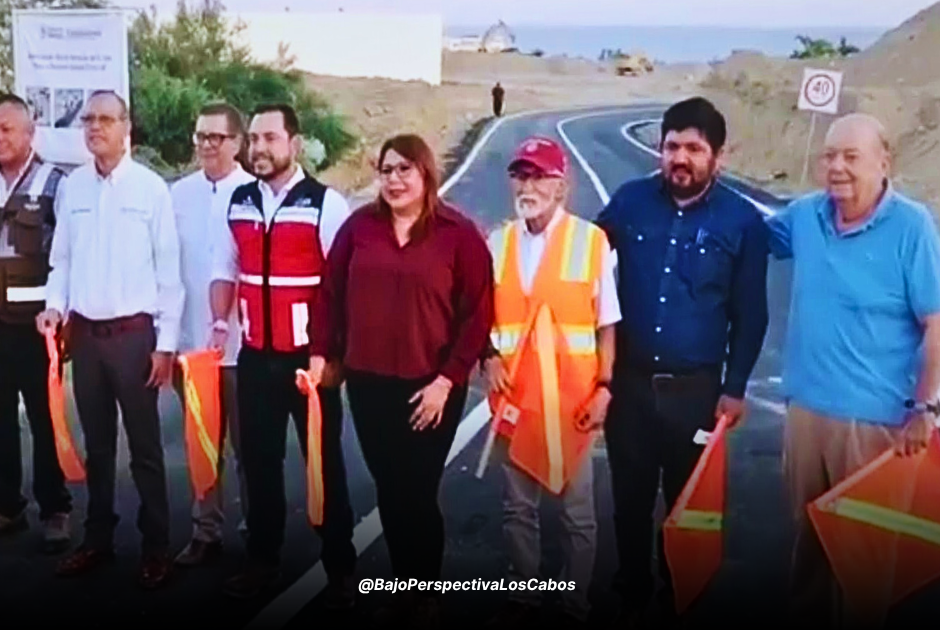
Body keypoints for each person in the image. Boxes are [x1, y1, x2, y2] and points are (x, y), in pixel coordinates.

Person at [594, 96, 770, 625]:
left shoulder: (743, 221)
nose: (681, 158)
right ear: (659, 148)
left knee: (685, 504)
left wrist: (734, 388)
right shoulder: (628, 203)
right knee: (628, 499)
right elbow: (582, 265)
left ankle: (678, 595)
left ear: (718, 154)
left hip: (696, 392)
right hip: (630, 385)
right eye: (672, 146)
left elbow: (752, 314)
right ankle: (631, 590)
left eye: (694, 148)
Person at [309, 133, 494, 627]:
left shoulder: (459, 234)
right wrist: (323, 353)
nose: (393, 179)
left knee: (417, 490)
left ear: (425, 173)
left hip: (430, 386)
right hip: (368, 383)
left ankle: (426, 590)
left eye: (404, 170)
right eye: (386, 170)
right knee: (389, 488)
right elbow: (329, 294)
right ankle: (403, 587)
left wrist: (446, 381)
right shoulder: (358, 229)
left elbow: (477, 315)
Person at [766, 113, 940, 628]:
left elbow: (936, 323)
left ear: (884, 163)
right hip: (805, 417)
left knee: (863, 570)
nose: (836, 167)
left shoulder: (912, 227)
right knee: (808, 555)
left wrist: (925, 406)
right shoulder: (805, 216)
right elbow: (744, 239)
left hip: (876, 425)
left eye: (851, 156)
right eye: (829, 156)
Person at [210, 103, 357, 603]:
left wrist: (331, 356)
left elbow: (341, 286)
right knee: (259, 462)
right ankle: (262, 560)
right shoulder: (240, 200)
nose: (260, 149)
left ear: (294, 143)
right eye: (253, 139)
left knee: (323, 462)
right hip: (254, 356)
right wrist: (217, 324)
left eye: (270, 138)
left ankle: (340, 562)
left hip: (308, 363)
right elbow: (225, 268)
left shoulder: (325, 203)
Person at [37, 90, 183, 588]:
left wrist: (166, 345)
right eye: (89, 119)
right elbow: (63, 261)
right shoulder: (72, 188)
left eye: (105, 119)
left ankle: (157, 545)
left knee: (144, 449)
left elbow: (170, 272)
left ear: (127, 129)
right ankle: (97, 539)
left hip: (135, 337)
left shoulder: (150, 190)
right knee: (97, 446)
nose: (95, 127)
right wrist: (54, 306)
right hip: (87, 338)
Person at [481, 137, 619, 628]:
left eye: (539, 175)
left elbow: (607, 323)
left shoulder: (590, 242)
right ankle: (525, 593)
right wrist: (488, 356)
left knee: (576, 512)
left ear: (561, 185)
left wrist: (605, 387)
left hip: (572, 401)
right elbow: (482, 320)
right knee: (517, 508)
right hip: (514, 399)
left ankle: (573, 602)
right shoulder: (498, 243)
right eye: (521, 175)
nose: (528, 184)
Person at [170, 102, 255, 566]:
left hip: (244, 349)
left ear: (237, 143)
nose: (205, 145)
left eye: (215, 137)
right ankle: (207, 529)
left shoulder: (254, 193)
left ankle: (258, 526)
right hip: (191, 347)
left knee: (249, 447)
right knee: (201, 444)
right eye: (200, 136)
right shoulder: (176, 195)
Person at [0, 93, 72, 553]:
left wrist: (61, 313)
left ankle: (55, 507)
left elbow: (66, 254)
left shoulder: (55, 182)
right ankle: (8, 504)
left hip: (35, 326)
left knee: (46, 419)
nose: (0, 137)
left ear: (30, 133)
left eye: (7, 128)